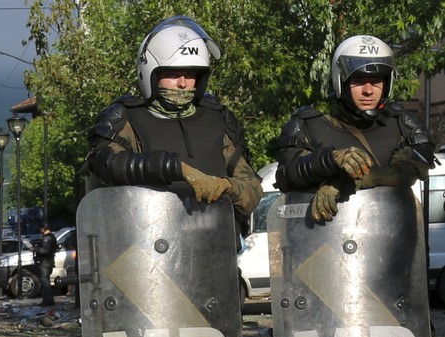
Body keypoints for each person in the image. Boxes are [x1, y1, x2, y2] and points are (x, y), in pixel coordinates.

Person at [85, 15, 262, 239]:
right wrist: (172, 167)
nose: (182, 82)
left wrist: (226, 187)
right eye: (171, 73)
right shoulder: (125, 119)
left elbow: (251, 188)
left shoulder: (218, 119)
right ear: (151, 73)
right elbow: (106, 164)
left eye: (190, 74)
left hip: (216, 252)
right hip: (150, 254)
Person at [274, 34, 437, 221]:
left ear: (387, 83)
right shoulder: (308, 126)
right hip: (320, 243)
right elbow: (287, 175)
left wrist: (344, 182)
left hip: (394, 243)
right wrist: (330, 160)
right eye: (359, 81)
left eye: (376, 81)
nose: (368, 90)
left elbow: (410, 170)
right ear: (341, 81)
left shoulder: (403, 125)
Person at [34, 224, 57, 306]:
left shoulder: (47, 238)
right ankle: (47, 300)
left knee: (45, 281)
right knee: (45, 281)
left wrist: (34, 249)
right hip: (48, 262)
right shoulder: (51, 236)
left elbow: (44, 250)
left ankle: (48, 300)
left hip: (46, 263)